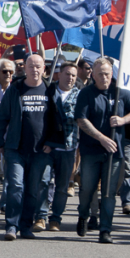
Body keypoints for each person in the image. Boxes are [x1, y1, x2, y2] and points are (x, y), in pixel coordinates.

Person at [0, 54, 62, 241]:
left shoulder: (50, 89)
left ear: (44, 69)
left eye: (38, 66)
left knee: (34, 189)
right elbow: (1, 118)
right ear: (24, 68)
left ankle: (25, 226)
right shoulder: (15, 89)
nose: (34, 70)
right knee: (15, 187)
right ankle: (11, 226)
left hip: (41, 151)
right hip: (15, 149)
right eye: (31, 66)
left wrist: (52, 143)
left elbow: (59, 120)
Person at [74, 58, 130, 244]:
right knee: (87, 188)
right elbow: (81, 119)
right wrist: (101, 138)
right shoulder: (86, 93)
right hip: (91, 151)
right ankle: (83, 215)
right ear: (93, 75)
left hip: (114, 153)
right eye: (100, 74)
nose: (104, 77)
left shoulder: (120, 93)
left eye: (107, 74)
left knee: (109, 193)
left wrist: (123, 120)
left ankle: (105, 229)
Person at [36, 61, 80, 231]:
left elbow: (75, 117)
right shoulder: (48, 91)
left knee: (62, 187)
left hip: (68, 148)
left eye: (73, 75)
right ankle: (40, 217)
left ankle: (56, 219)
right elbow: (42, 120)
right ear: (59, 74)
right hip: (47, 147)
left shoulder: (79, 95)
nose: (70, 78)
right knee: (43, 182)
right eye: (67, 74)